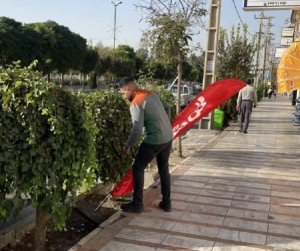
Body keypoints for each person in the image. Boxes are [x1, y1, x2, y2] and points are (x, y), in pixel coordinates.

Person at [118, 77, 173, 213]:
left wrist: (128, 145)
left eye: (123, 93)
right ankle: (166, 203)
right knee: (163, 169)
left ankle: (137, 204)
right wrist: (164, 124)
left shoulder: (136, 102)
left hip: (155, 139)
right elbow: (168, 107)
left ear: (129, 90)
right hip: (168, 136)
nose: (123, 97)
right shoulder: (151, 94)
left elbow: (136, 128)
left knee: (138, 168)